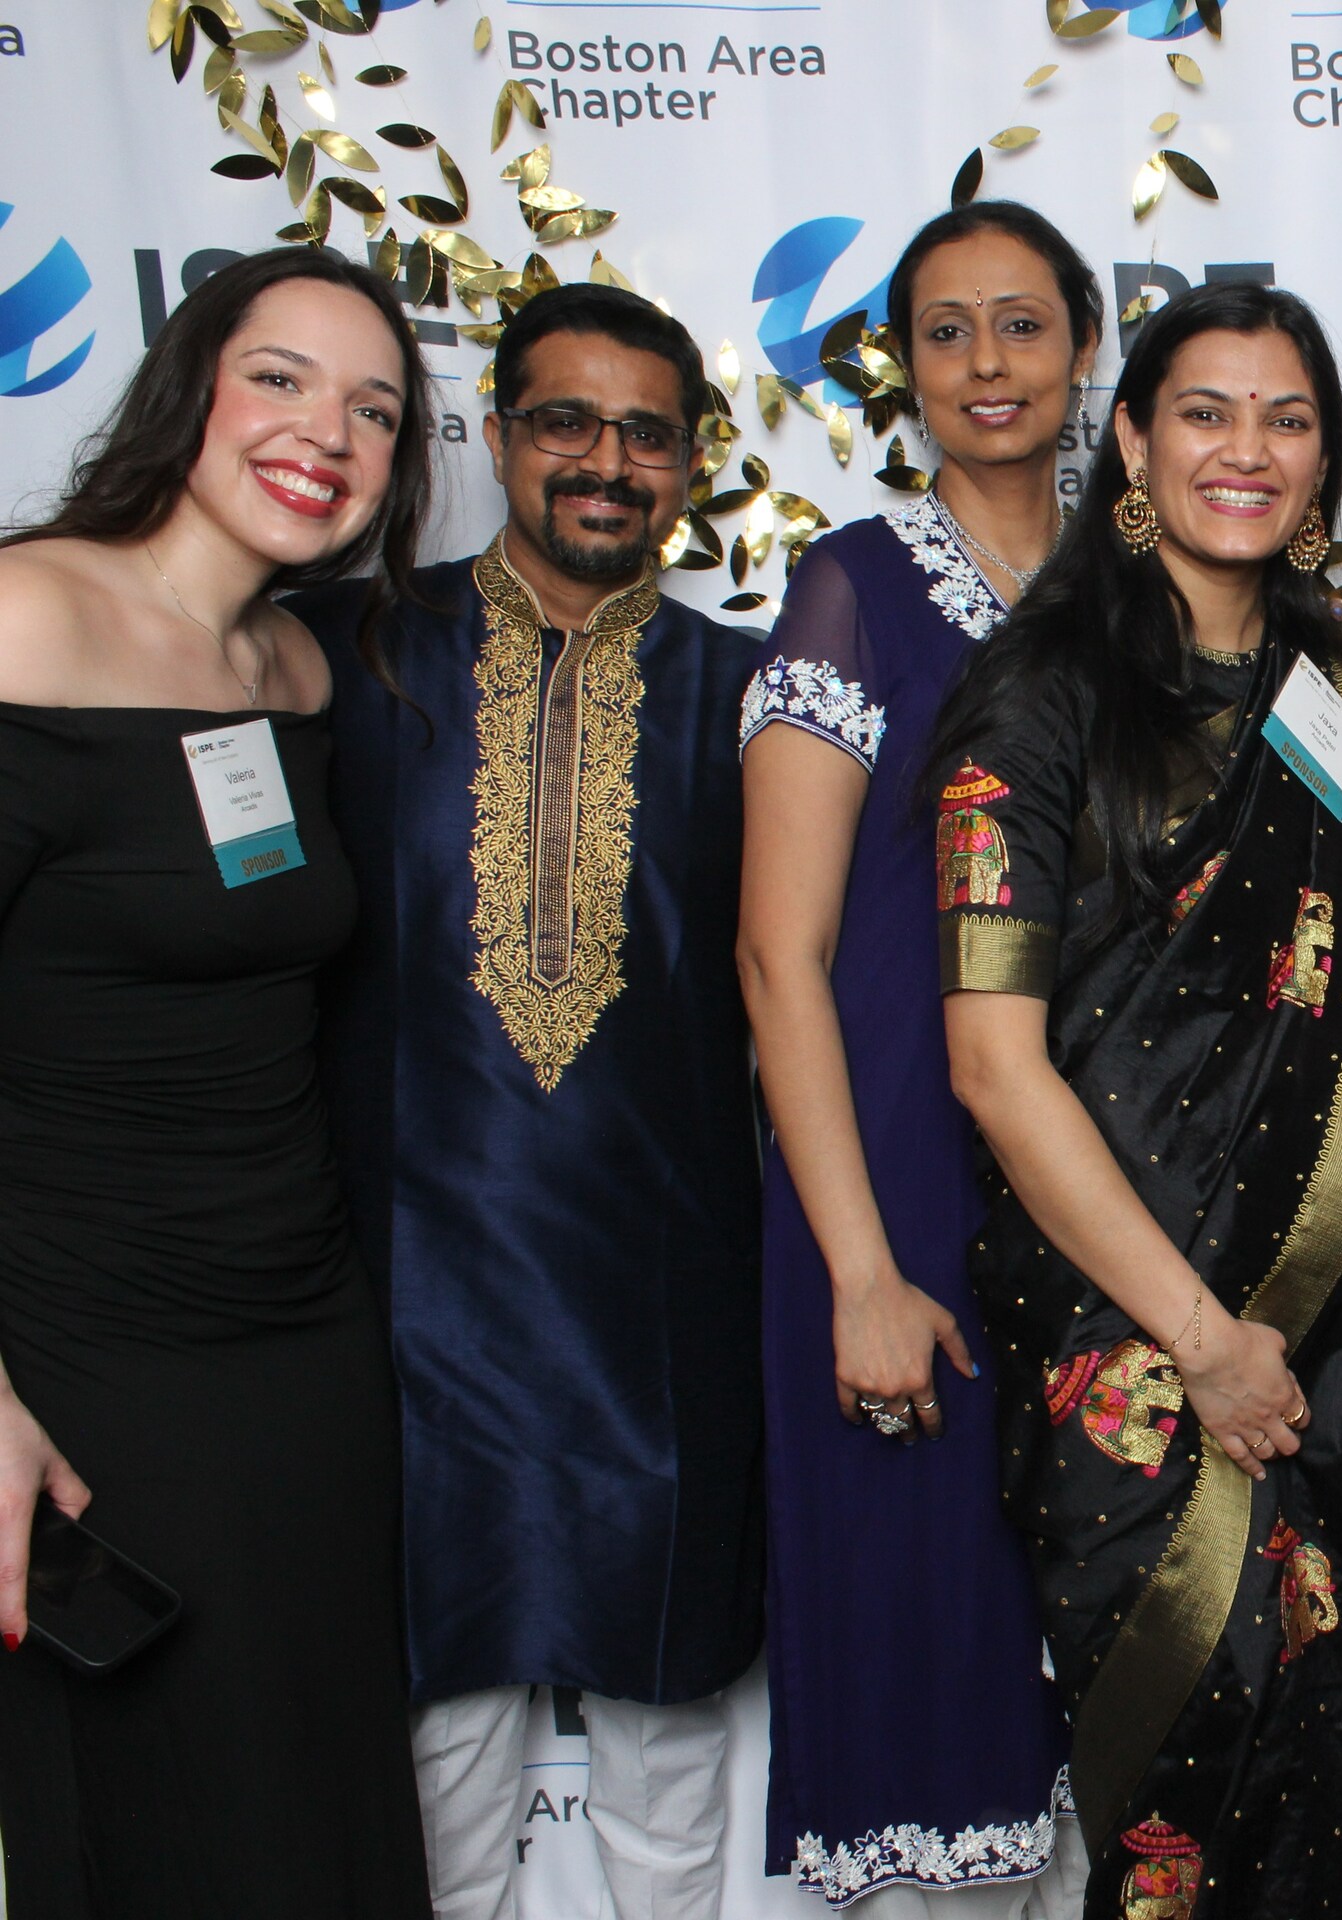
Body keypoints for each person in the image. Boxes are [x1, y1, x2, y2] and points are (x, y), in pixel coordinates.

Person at [933, 281, 1342, 1920]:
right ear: (1137, 443)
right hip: (1130, 1343)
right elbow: (992, 1064)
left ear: (1325, 460)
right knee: (1184, 1779)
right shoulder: (1041, 691)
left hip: (1331, 1324)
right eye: (1208, 414)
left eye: (1288, 420)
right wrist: (1202, 1340)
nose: (1250, 451)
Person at [298, 281, 763, 1920]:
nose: (606, 463)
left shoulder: (752, 692)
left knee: (666, 1731)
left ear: (691, 465)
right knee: (440, 1737)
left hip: (664, 1291)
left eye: (647, 435)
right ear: (494, 437)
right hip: (411, 1290)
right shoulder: (347, 653)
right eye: (568, 422)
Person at [0, 246, 434, 1914]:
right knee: (156, 1821)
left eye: (374, 410)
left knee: (313, 1809)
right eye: (280, 378)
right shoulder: (34, 617)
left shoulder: (298, 671)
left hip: (300, 1340)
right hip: (84, 1351)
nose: (325, 431)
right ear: (189, 382)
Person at [738, 201, 1098, 1914]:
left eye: (1022, 323)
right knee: (929, 1633)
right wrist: (858, 1270)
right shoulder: (855, 588)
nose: (986, 363)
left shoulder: (1145, 580)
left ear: (1086, 347)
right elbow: (779, 956)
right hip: (899, 1180)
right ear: (904, 367)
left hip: (1107, 1183)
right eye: (945, 331)